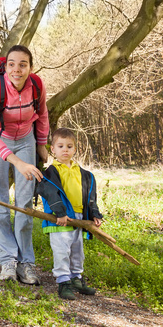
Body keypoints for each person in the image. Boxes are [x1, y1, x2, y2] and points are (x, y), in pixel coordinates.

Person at [0, 45, 49, 284]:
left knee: (24, 205)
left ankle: (26, 263)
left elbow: (42, 115)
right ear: (5, 66)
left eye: (23, 64)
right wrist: (17, 162)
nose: (16, 69)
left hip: (26, 140)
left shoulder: (37, 85)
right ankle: (8, 261)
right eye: (11, 64)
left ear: (31, 67)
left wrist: (41, 144)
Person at [35, 127, 103, 299]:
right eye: (60, 146)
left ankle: (76, 279)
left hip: (79, 218)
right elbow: (50, 194)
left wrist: (94, 214)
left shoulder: (85, 174)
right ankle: (63, 282)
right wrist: (60, 213)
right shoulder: (49, 173)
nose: (65, 149)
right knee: (62, 251)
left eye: (69, 146)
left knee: (77, 251)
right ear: (53, 149)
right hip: (60, 219)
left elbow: (90, 197)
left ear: (75, 149)